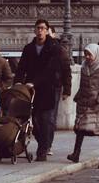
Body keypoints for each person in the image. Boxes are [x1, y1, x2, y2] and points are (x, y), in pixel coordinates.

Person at [15, 18, 73, 161]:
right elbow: (21, 67)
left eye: (42, 28)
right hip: (32, 89)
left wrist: (67, 88)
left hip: (50, 87)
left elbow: (58, 68)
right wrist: (17, 83)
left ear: (47, 31)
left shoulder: (55, 47)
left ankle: (42, 150)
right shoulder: (29, 48)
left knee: (47, 119)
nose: (40, 31)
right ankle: (44, 144)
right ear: (34, 30)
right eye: (38, 28)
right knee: (35, 119)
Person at [67, 43, 99, 168]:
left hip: (97, 105)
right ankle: (76, 154)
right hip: (85, 102)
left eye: (89, 54)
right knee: (80, 129)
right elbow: (83, 85)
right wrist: (78, 96)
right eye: (85, 54)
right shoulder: (84, 67)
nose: (87, 57)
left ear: (95, 54)